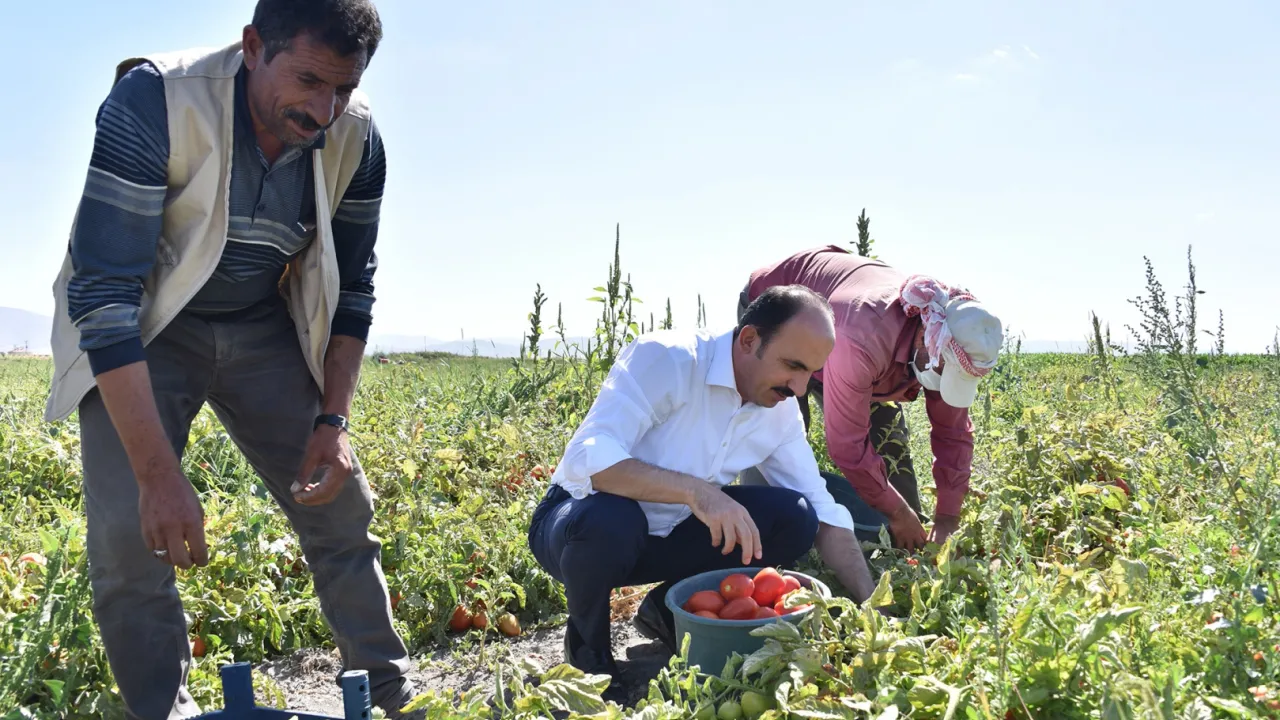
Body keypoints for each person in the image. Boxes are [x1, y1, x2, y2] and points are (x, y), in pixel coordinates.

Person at [43, 2, 422, 718]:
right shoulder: (157, 100)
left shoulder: (356, 136)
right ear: (253, 46)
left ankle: (384, 692)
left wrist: (333, 421)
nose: (324, 110)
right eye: (307, 80)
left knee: (339, 501)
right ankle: (163, 708)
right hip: (146, 328)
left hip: (258, 323)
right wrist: (158, 476)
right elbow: (105, 296)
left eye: (342, 88)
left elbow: (354, 287)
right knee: (129, 537)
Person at [527, 286, 879, 701]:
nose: (799, 389)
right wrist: (698, 493)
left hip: (669, 533)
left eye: (810, 374)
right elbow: (590, 461)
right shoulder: (669, 359)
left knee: (796, 516)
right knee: (610, 519)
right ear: (749, 340)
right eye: (792, 366)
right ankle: (590, 658)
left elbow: (821, 508)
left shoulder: (780, 412)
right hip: (577, 528)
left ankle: (668, 611)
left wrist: (874, 609)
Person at [738, 245, 1003, 552]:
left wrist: (947, 517)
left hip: (853, 337)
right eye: (945, 372)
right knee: (774, 432)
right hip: (780, 312)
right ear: (925, 339)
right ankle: (762, 543)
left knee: (889, 438)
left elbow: (952, 434)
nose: (946, 382)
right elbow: (847, 446)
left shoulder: (943, 346)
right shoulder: (863, 337)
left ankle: (905, 543)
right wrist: (897, 512)